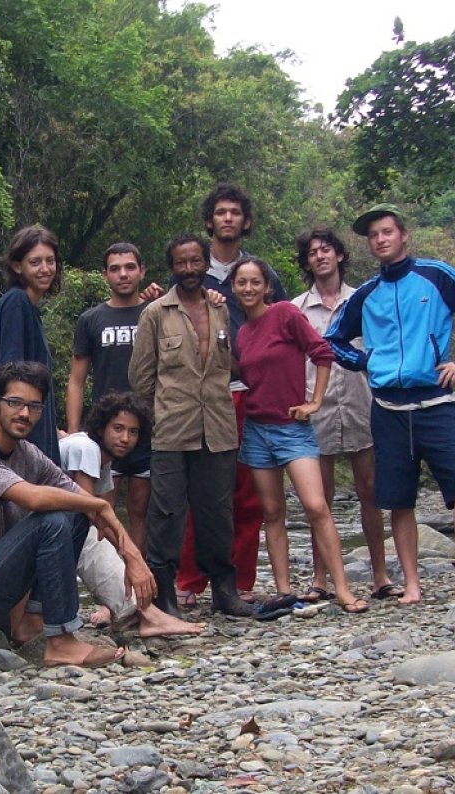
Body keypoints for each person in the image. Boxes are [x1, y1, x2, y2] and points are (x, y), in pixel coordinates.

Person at [326, 203, 455, 604]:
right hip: (388, 408)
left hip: (438, 400)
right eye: (373, 236)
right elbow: (333, 339)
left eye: (387, 232)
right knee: (398, 498)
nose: (380, 240)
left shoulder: (435, 276)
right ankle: (411, 584)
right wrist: (365, 361)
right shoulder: (368, 294)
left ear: (403, 235)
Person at [0, 361, 150, 668]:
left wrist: (132, 555)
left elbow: (81, 500)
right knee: (55, 517)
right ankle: (60, 641)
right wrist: (98, 505)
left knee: (73, 513)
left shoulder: (27, 454)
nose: (24, 413)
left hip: (5, 586)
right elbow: (33, 497)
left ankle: (33, 621)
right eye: (14, 403)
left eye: (33, 406)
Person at [231, 256, 369, 615]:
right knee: (272, 512)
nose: (248, 288)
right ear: (233, 288)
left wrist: (315, 401)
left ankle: (342, 589)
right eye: (241, 282)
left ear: (267, 286)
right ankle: (284, 590)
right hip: (257, 430)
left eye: (254, 282)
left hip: (293, 427)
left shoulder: (286, 315)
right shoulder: (241, 334)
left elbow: (322, 352)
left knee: (315, 506)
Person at [175, 184, 287, 609]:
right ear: (209, 220)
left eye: (235, 213)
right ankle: (190, 580)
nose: (227, 219)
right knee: (196, 490)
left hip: (247, 392)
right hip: (197, 395)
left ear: (245, 221)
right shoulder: (190, 268)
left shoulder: (261, 272)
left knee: (246, 490)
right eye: (220, 212)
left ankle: (240, 580)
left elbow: (280, 326)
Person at [129, 234, 249, 617]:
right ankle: (165, 594)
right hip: (171, 430)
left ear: (205, 264)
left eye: (196, 261)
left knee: (217, 512)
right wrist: (157, 419)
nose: (190, 270)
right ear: (172, 267)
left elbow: (226, 365)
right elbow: (141, 378)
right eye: (182, 263)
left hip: (217, 426)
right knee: (166, 513)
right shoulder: (154, 314)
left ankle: (225, 592)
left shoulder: (220, 309)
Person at [292, 228, 399, 601]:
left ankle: (380, 575)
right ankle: (320, 578)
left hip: (361, 402)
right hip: (315, 406)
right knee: (318, 497)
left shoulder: (364, 299)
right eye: (313, 252)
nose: (320, 256)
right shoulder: (296, 309)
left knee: (370, 490)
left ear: (339, 255)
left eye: (326, 250)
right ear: (306, 262)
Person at [61, 392, 204, 637]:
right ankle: (147, 614)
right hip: (36, 530)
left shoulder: (102, 460)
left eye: (133, 432)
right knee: (90, 536)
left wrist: (130, 557)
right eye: (117, 428)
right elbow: (91, 512)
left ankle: (139, 611)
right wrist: (133, 557)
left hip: (52, 532)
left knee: (98, 536)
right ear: (101, 427)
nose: (125, 438)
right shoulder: (85, 447)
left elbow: (105, 519)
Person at [66, 243, 152, 552]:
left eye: (130, 267)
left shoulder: (153, 312)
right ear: (105, 275)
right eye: (115, 269)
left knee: (141, 509)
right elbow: (76, 379)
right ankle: (111, 588)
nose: (123, 274)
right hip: (105, 430)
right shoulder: (91, 319)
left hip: (146, 429)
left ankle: (136, 583)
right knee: (103, 510)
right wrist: (75, 431)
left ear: (142, 271)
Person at [0, 224, 62, 464]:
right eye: (35, 262)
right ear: (18, 266)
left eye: (50, 261)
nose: (45, 269)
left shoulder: (29, 307)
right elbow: (12, 376)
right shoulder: (16, 304)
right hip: (18, 442)